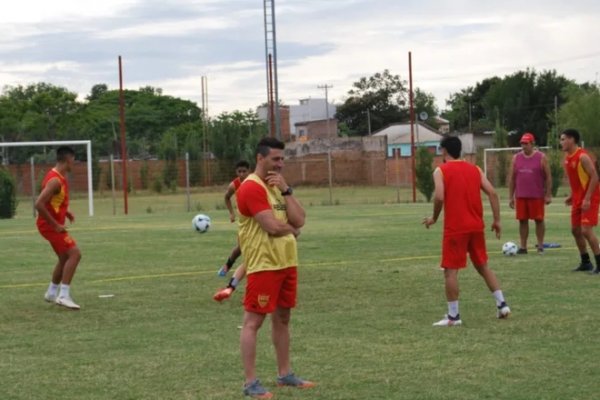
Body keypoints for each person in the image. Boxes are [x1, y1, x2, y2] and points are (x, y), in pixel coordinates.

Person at [236, 137, 314, 398]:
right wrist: (292, 230)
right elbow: (273, 226)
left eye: (282, 159)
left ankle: (285, 374)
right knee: (253, 322)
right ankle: (250, 383)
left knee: (283, 318)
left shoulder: (277, 186)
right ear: (260, 158)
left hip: (286, 262)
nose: (280, 164)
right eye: (275, 159)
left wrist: (287, 190)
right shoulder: (251, 188)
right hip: (263, 264)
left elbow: (300, 218)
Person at [423, 136, 510, 327]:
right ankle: (502, 304)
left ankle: (453, 316)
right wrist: (496, 220)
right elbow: (493, 193)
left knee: (450, 271)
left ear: (444, 151)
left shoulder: (441, 171)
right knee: (482, 266)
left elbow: (438, 196)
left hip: (456, 228)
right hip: (476, 226)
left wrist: (434, 218)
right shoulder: (475, 169)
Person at [35, 146, 82, 310]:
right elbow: (38, 204)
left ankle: (51, 292)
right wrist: (55, 225)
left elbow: (52, 201)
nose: (74, 163)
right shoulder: (55, 180)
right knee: (75, 254)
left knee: (64, 257)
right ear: (68, 160)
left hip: (50, 224)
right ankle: (63, 295)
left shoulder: (58, 177)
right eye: (74, 160)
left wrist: (66, 212)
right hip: (49, 226)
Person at [560, 128, 600, 273]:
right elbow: (578, 179)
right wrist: (573, 195)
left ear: (572, 140)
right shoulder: (567, 158)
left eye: (563, 139)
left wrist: (588, 198)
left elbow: (595, 177)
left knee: (586, 231)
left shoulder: (582, 156)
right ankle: (585, 262)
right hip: (578, 198)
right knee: (575, 230)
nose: (561, 142)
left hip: (590, 197)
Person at [507, 132, 552, 254]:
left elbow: (548, 177)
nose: (523, 146)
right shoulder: (516, 158)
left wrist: (548, 194)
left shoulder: (541, 157)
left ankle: (541, 246)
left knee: (539, 220)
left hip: (536, 195)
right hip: (521, 195)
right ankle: (523, 247)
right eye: (522, 143)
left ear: (532, 144)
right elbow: (512, 178)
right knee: (522, 220)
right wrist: (510, 197)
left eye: (526, 143)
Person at [217, 160, 250, 277]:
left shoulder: (255, 182)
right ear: (236, 172)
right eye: (239, 171)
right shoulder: (234, 185)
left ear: (249, 171)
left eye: (244, 171)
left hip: (258, 219)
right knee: (241, 248)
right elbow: (226, 197)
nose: (241, 174)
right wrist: (231, 213)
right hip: (244, 222)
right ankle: (227, 265)